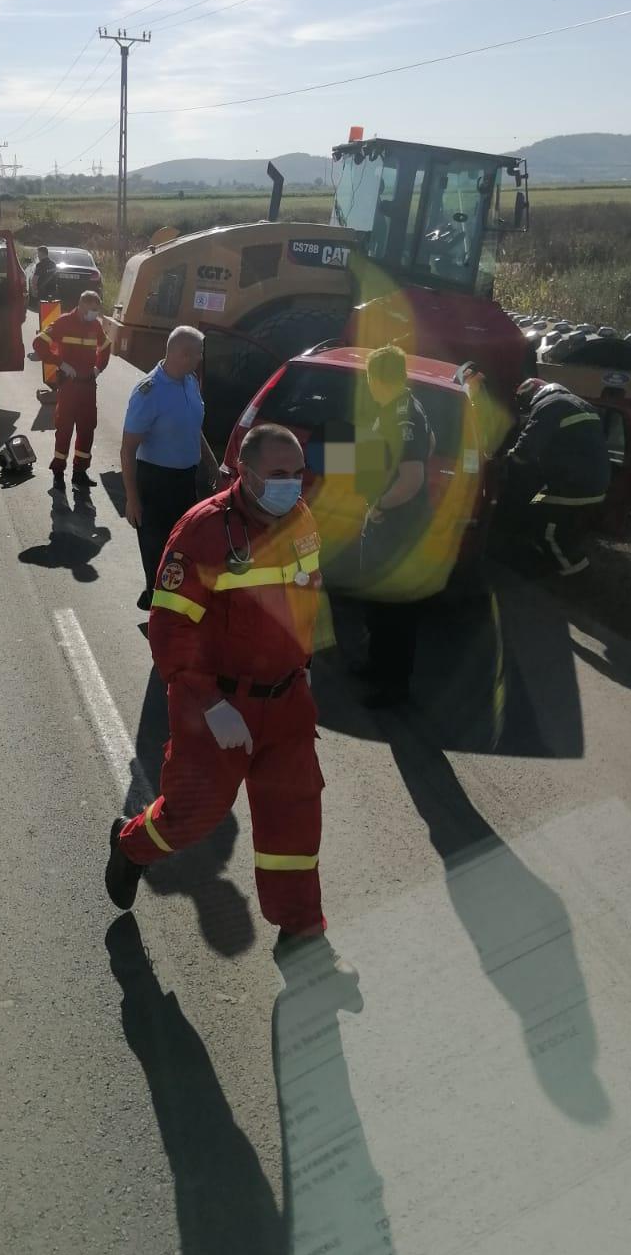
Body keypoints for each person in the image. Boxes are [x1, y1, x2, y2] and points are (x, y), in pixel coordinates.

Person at [105, 424, 357, 986]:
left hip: (286, 704)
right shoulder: (202, 532)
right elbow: (170, 628)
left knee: (295, 825)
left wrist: (308, 668)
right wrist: (210, 703)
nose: (291, 486)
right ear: (244, 471)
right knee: (191, 817)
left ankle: (303, 939)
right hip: (216, 707)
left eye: (298, 474)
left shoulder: (301, 521)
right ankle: (131, 846)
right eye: (278, 475)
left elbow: (308, 600)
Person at [357, 344, 434, 711]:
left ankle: (394, 685)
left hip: (397, 529)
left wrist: (380, 504)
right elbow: (430, 445)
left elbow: (412, 478)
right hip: (389, 525)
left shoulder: (404, 416)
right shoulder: (403, 406)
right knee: (378, 603)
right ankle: (377, 666)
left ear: (378, 379)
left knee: (395, 611)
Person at [122, 325, 219, 611]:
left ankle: (162, 597)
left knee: (182, 547)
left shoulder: (191, 382)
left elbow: (193, 426)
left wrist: (210, 461)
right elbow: (127, 449)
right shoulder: (149, 392)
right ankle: (157, 608)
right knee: (156, 550)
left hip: (185, 479)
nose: (200, 359)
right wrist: (132, 499)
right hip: (156, 482)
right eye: (197, 354)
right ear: (183, 354)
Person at [502, 378, 610, 576]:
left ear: (531, 395)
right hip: (595, 483)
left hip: (572, 485)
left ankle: (573, 571)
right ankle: (542, 551)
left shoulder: (548, 406)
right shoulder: (580, 404)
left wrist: (505, 458)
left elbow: (524, 452)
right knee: (536, 503)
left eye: (524, 404)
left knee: (543, 522)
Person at [32, 288, 110, 489]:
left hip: (88, 387)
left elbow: (105, 346)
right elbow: (39, 343)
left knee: (87, 429)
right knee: (64, 429)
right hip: (69, 386)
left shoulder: (95, 325)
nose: (94, 313)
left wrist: (98, 368)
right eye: (91, 309)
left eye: (96, 310)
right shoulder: (64, 322)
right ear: (81, 305)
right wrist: (61, 363)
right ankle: (58, 473)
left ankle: (80, 473)